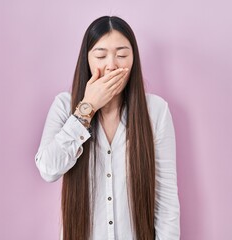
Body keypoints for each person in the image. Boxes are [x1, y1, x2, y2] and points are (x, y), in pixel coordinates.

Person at [35, 16, 180, 240]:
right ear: (88, 60)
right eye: (101, 55)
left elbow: (166, 199)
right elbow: (48, 169)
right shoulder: (64, 106)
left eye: (122, 55)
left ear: (133, 60)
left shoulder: (156, 111)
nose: (112, 64)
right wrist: (87, 108)